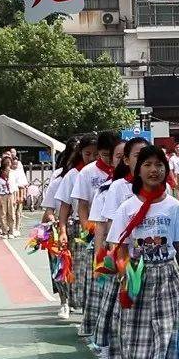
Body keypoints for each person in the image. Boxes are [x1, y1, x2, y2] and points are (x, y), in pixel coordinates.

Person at [107, 145, 179, 359]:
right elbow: (118, 246)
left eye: (159, 164)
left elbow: (177, 243)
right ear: (137, 170)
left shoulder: (174, 205)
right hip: (136, 275)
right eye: (148, 165)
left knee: (169, 335)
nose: (154, 170)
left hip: (166, 274)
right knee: (132, 334)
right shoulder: (126, 207)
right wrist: (124, 273)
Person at [94, 137, 149, 359]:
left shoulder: (160, 187)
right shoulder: (117, 188)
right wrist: (107, 258)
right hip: (124, 256)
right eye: (138, 156)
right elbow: (108, 226)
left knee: (147, 313)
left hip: (151, 257)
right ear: (126, 160)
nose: (145, 162)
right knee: (119, 308)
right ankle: (116, 358)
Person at [71, 131, 122, 338]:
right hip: (96, 231)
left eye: (113, 155)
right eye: (104, 154)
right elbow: (82, 204)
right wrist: (87, 228)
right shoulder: (88, 173)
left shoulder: (125, 174)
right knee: (97, 281)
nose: (109, 159)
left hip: (119, 236)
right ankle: (93, 324)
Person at [55, 135, 98, 314]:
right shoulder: (73, 175)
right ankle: (85, 309)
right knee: (83, 272)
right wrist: (63, 229)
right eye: (88, 154)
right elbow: (64, 206)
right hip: (83, 229)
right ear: (81, 153)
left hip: (106, 228)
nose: (92, 158)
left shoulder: (109, 173)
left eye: (96, 154)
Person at [42, 138, 77, 320]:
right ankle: (64, 302)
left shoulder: (91, 176)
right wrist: (54, 222)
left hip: (83, 231)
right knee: (61, 267)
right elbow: (49, 209)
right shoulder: (58, 179)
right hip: (60, 230)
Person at [0, 165, 14, 237]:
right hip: (2, 196)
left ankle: (11, 231)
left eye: (9, 171)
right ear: (2, 171)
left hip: (10, 195)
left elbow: (14, 189)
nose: (8, 172)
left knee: (11, 214)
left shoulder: (11, 178)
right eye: (7, 171)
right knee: (3, 215)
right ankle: (4, 231)